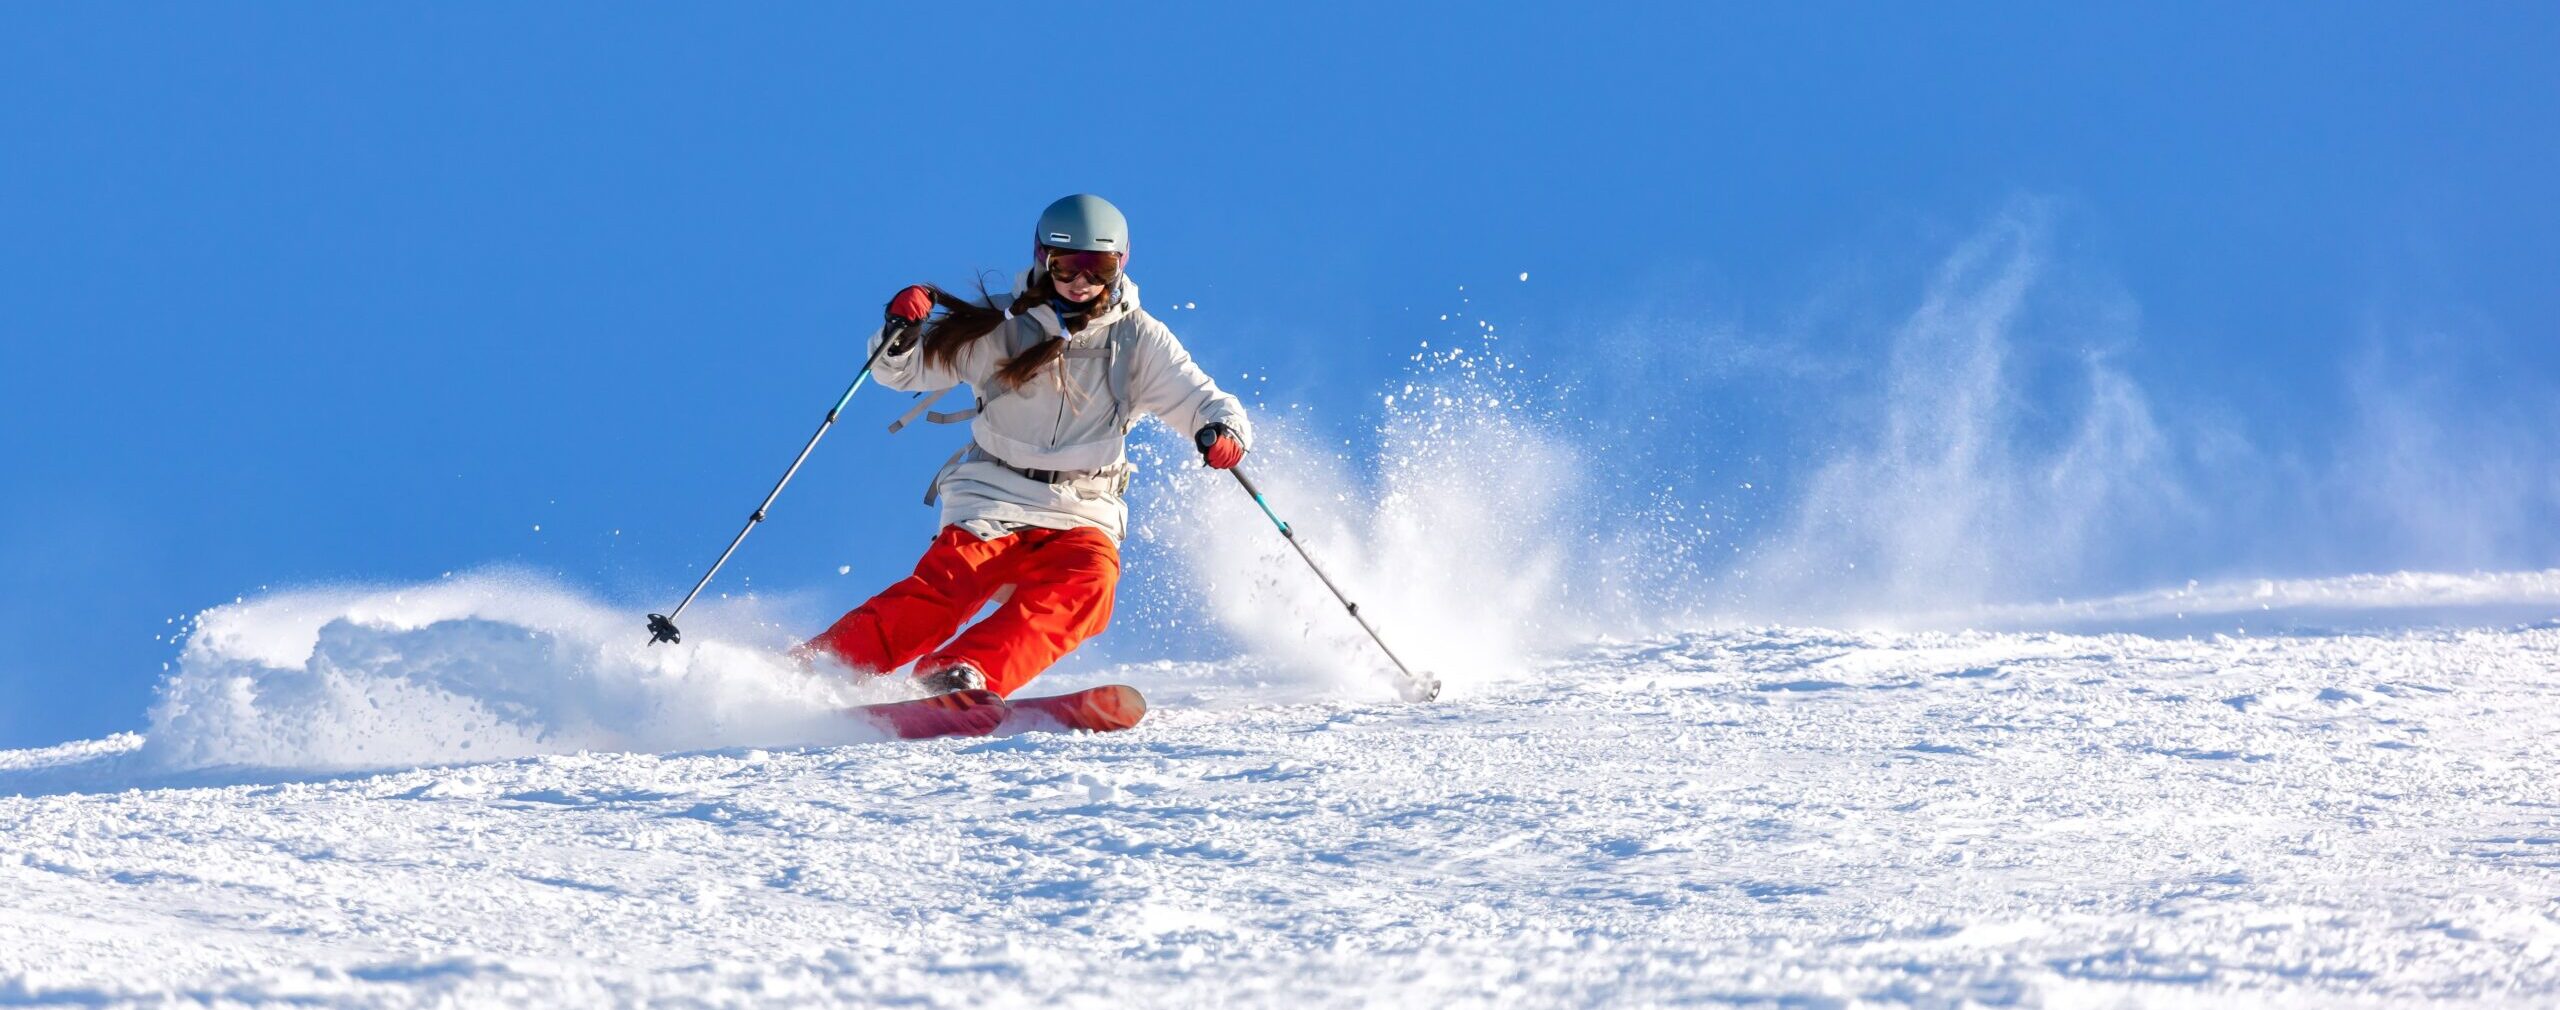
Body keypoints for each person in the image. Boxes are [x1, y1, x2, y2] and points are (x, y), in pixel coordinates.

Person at [799, 194, 1251, 698]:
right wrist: (900, 333)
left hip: (1083, 506)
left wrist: (1222, 432)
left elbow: (1202, 399)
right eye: (1066, 266)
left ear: (1120, 265)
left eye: (1097, 267)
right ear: (1042, 260)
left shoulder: (1138, 338)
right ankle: (819, 669)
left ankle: (962, 672)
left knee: (1089, 589)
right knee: (946, 589)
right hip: (993, 494)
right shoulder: (999, 324)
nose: (1082, 281)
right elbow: (899, 371)